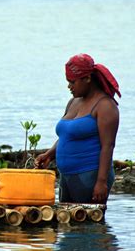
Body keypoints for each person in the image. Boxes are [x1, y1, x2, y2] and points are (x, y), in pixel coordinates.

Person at [34, 53, 120, 204]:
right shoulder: (73, 102)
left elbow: (108, 146)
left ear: (87, 79)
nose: (69, 86)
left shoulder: (105, 106)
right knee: (67, 223)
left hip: (89, 176)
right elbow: (66, 135)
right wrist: (49, 154)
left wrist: (101, 182)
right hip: (67, 176)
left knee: (90, 225)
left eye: (72, 82)